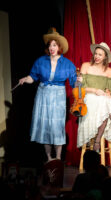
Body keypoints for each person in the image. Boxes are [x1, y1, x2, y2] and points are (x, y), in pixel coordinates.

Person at [18, 28, 77, 161]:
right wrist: (25, 79)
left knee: (57, 126)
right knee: (45, 126)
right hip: (43, 94)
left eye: (54, 45)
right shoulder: (41, 61)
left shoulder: (67, 64)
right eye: (50, 45)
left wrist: (79, 81)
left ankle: (58, 158)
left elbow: (74, 84)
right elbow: (33, 77)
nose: (52, 48)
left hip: (58, 96)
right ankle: (49, 158)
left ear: (59, 47)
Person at [77, 42, 111, 151]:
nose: (97, 56)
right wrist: (94, 90)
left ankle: (99, 139)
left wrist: (108, 93)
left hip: (102, 100)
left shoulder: (109, 71)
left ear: (105, 57)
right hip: (88, 97)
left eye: (100, 54)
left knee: (106, 101)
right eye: (96, 54)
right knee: (105, 103)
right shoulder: (85, 66)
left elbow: (110, 91)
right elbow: (79, 89)